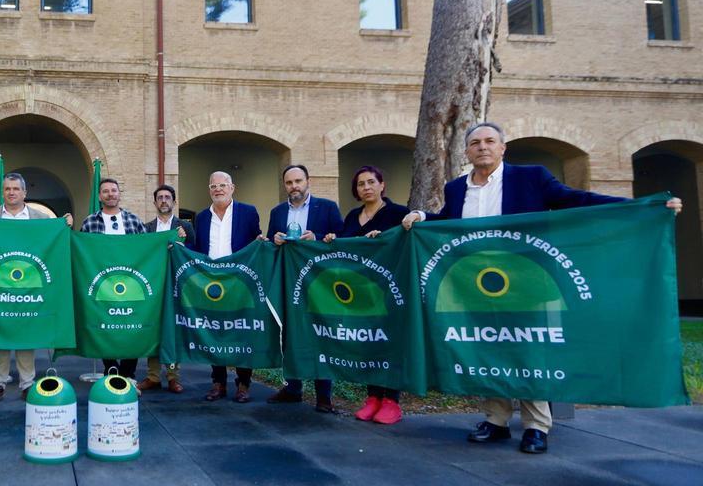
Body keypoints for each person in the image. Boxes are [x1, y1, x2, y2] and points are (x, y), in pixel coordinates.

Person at [402, 121, 684, 454]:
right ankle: (496, 420)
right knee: (486, 349)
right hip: (474, 284)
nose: (482, 147)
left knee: (528, 351)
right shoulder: (456, 188)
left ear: (503, 148)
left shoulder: (531, 178)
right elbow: (448, 222)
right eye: (475, 143)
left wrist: (640, 207)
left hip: (526, 282)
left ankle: (536, 426)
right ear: (466, 151)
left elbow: (575, 199)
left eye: (490, 141)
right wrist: (421, 215)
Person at [323, 165, 411, 424]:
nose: (366, 187)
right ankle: (372, 398)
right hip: (360, 294)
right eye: (361, 184)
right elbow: (343, 246)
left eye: (371, 182)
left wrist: (383, 239)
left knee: (388, 344)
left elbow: (405, 244)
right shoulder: (352, 216)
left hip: (389, 292)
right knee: (367, 344)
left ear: (382, 185)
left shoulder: (398, 213)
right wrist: (332, 238)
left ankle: (392, 400)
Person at [0, 172, 73, 404]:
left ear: (24, 192)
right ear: (3, 192)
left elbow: (54, 237)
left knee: (26, 331)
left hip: (29, 284)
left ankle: (27, 383)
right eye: (7, 189)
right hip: (0, 283)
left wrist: (65, 224)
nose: (11, 192)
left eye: (15, 189)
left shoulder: (40, 218)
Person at [266, 164, 344, 411]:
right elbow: (270, 241)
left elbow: (339, 241)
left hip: (319, 284)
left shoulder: (328, 207)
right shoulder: (277, 211)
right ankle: (293, 387)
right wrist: (274, 239)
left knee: (320, 333)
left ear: (308, 181)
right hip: (289, 283)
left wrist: (318, 239)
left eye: (298, 181)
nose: (294, 186)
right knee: (290, 333)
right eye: (289, 183)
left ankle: (324, 395)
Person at [190, 171, 262, 403]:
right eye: (213, 186)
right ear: (209, 190)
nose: (218, 189)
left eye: (222, 185)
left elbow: (256, 242)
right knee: (214, 332)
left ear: (232, 187)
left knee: (241, 332)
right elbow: (198, 248)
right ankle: (218, 382)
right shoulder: (201, 217)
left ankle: (243, 384)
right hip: (211, 284)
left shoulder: (248, 212)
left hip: (240, 284)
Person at [80, 177, 147, 381]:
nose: (110, 194)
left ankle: (127, 374)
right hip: (102, 286)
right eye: (106, 191)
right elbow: (81, 251)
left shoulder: (134, 221)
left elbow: (148, 249)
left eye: (114, 190)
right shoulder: (90, 222)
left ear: (119, 194)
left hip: (130, 285)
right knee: (103, 327)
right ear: (100, 196)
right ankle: (111, 370)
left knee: (132, 327)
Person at [138, 184, 192, 394]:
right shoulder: (147, 228)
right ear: (154, 202)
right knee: (154, 329)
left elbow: (195, 253)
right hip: (154, 285)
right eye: (159, 197)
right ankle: (152, 376)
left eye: (167, 197)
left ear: (174, 201)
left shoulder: (184, 227)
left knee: (172, 330)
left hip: (176, 285)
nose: (163, 200)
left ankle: (173, 377)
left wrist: (184, 242)